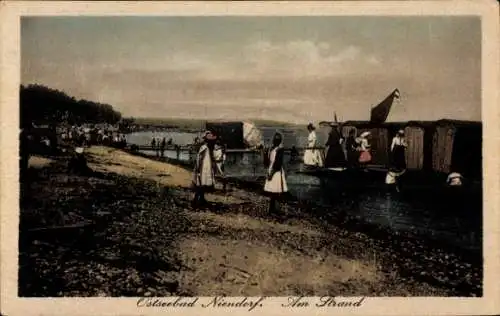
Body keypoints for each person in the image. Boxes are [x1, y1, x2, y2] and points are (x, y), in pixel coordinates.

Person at [264, 132, 288, 214]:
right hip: (274, 171)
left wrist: (270, 173)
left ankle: (273, 209)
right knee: (275, 191)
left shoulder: (276, 149)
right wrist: (270, 173)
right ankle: (273, 209)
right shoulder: (274, 149)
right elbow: (273, 163)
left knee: (275, 191)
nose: (275, 141)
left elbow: (276, 163)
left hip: (274, 171)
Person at [192, 131, 217, 207]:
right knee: (201, 184)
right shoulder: (204, 148)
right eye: (210, 140)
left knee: (203, 184)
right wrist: (198, 170)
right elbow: (199, 159)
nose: (212, 142)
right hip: (203, 169)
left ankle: (201, 199)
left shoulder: (208, 148)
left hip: (206, 168)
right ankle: (196, 201)